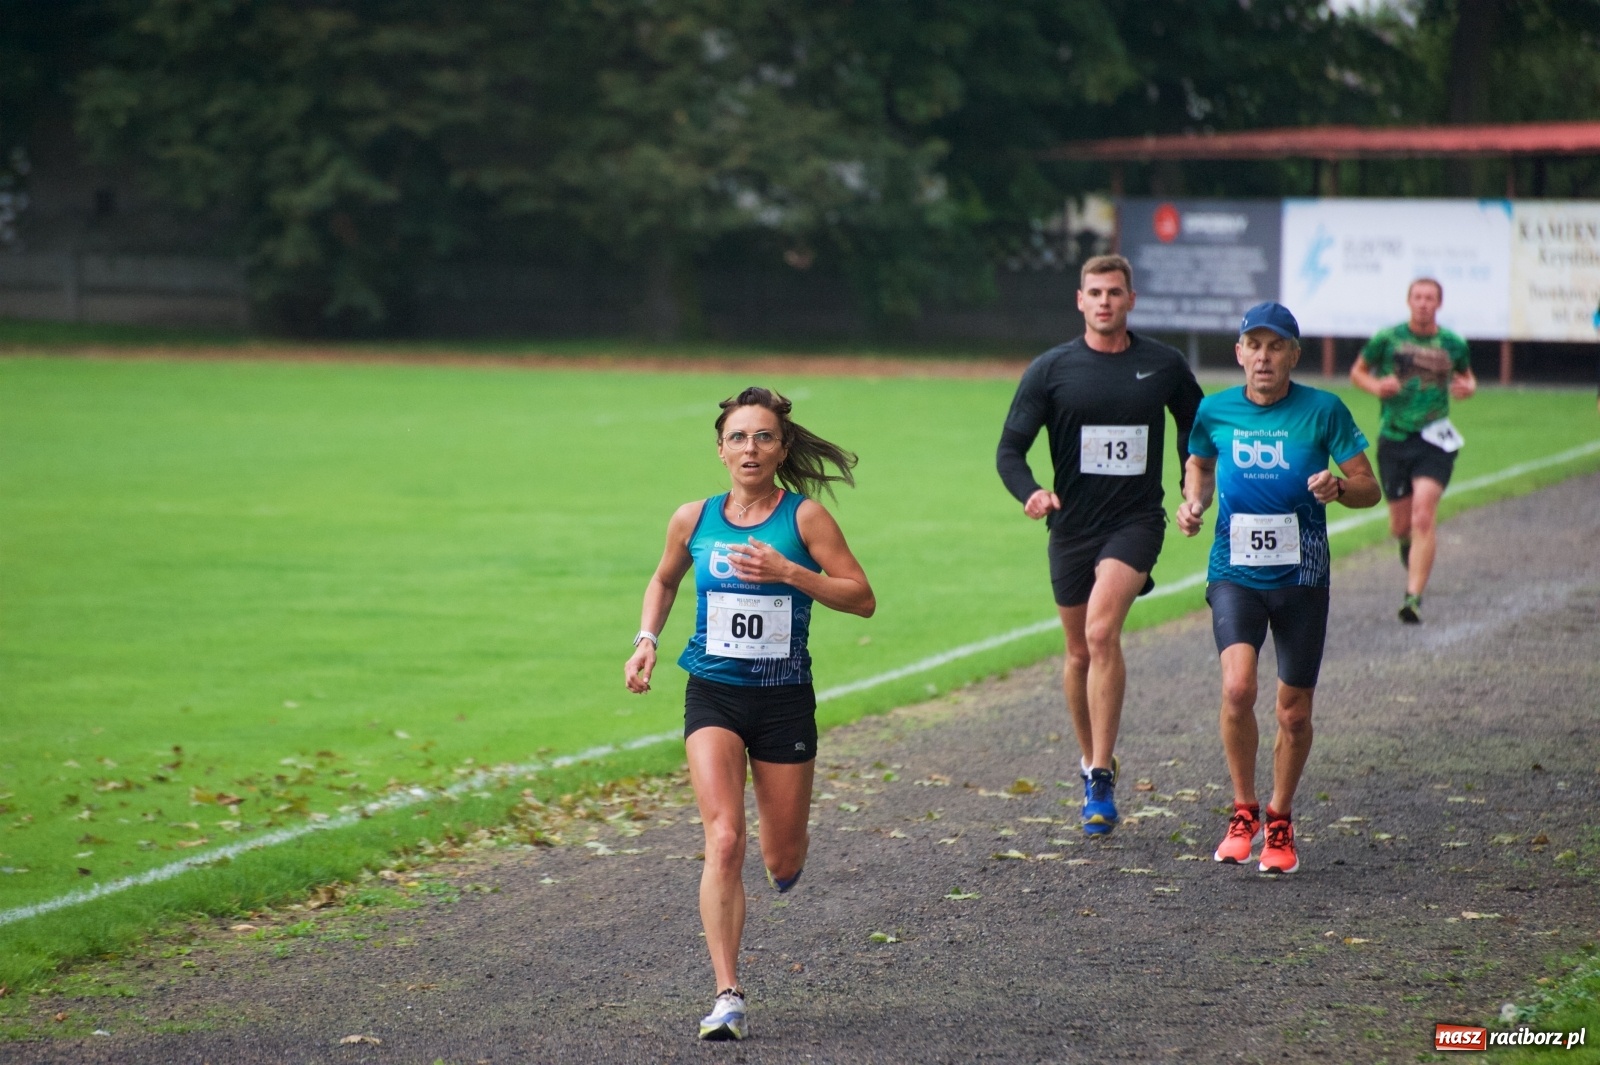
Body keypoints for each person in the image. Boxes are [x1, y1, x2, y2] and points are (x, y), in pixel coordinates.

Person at [623, 386, 874, 1041]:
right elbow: (664, 579)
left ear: (782, 448)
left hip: (784, 700)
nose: (751, 448)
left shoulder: (806, 519)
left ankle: (785, 861)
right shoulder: (693, 518)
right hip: (713, 692)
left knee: (781, 857)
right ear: (721, 449)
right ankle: (727, 993)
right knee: (724, 838)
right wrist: (646, 639)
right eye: (738, 437)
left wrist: (791, 572)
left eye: (764, 436)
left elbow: (862, 597)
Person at [996, 253, 1203, 836]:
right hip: (1071, 527)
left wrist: (1193, 492)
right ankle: (1092, 765)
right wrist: (1032, 492)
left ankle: (1103, 779)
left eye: (1115, 292)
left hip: (1135, 521)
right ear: (1080, 301)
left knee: (1100, 630)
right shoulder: (1051, 369)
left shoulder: (1163, 365)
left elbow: (1197, 435)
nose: (1105, 301)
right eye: (1095, 292)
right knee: (1078, 652)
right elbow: (1009, 450)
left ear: (1131, 299)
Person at [1176, 302, 1380, 874]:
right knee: (1238, 688)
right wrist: (1193, 503)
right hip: (1234, 570)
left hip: (1302, 575)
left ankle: (1280, 818)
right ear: (1239, 353)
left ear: (1294, 354)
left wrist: (1339, 487)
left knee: (1293, 712)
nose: (1263, 357)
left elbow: (1369, 487)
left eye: (1275, 346)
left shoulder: (1324, 410)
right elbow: (1200, 465)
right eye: (1254, 345)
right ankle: (1243, 811)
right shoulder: (1215, 409)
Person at [1349, 278, 1476, 624]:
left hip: (1435, 439)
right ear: (1409, 301)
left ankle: (1413, 598)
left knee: (1423, 515)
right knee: (1400, 525)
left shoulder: (1452, 343)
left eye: (1429, 298)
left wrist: (1468, 387)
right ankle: (1408, 546)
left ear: (1439, 303)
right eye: (1418, 297)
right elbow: (1358, 373)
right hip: (1394, 438)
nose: (1423, 303)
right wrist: (1378, 385)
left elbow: (1467, 377)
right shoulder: (1387, 339)